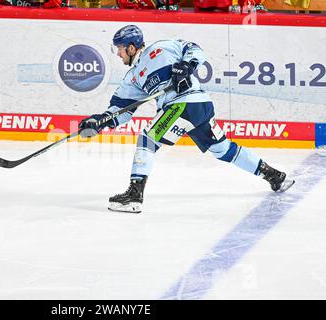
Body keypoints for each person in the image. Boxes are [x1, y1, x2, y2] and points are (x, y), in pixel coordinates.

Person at [78, 25, 294, 213]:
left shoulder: (162, 47)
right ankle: (275, 176)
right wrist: (100, 120)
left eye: (119, 48)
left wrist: (188, 64)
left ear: (131, 47)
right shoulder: (132, 78)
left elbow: (194, 49)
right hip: (197, 108)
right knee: (223, 149)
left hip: (186, 103)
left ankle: (134, 195)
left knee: (147, 139)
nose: (118, 54)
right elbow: (121, 110)